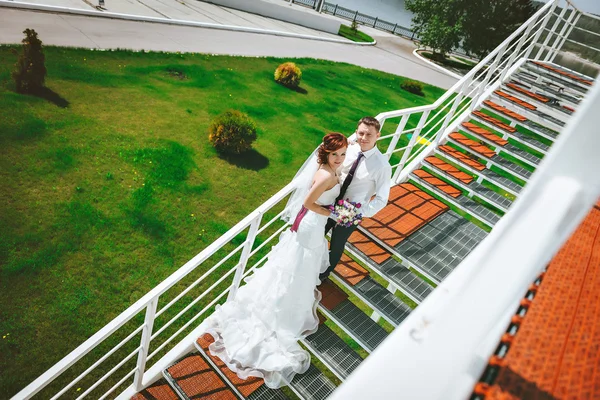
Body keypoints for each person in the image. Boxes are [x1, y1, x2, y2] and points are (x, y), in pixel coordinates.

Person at [202, 133, 348, 389]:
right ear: (325, 153)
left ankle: (290, 298)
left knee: (300, 266)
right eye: (335, 154)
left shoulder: (330, 170)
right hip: (312, 225)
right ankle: (281, 307)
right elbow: (307, 202)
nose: (339, 159)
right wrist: (329, 211)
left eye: (343, 154)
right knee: (297, 267)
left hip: (314, 225)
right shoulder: (325, 174)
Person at [319, 117, 392, 282]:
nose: (364, 138)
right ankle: (310, 263)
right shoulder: (349, 149)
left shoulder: (382, 166)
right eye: (361, 133)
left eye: (369, 135)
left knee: (337, 244)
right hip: (330, 201)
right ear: (356, 132)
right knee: (317, 233)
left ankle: (323, 274)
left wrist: (358, 212)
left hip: (351, 212)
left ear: (378, 135)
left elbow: (381, 199)